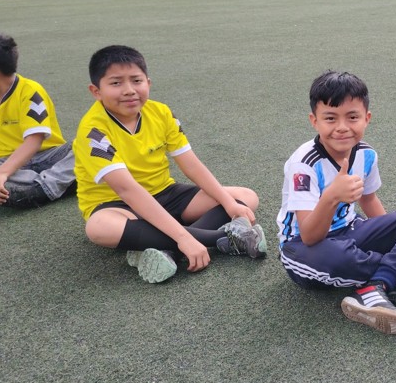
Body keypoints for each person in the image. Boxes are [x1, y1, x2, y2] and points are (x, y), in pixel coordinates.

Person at [73, 45, 267, 284]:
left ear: (148, 83)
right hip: (118, 204)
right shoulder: (93, 132)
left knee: (245, 197)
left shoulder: (161, 112)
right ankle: (223, 239)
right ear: (96, 91)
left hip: (165, 193)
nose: (129, 90)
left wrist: (229, 203)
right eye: (116, 83)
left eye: (136, 80)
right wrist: (183, 238)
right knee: (99, 228)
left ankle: (164, 249)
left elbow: (191, 165)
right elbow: (127, 190)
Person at [277, 71, 396, 335]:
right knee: (340, 259)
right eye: (330, 118)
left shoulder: (366, 154)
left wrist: (393, 236)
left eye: (352, 117)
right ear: (314, 121)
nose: (342, 127)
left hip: (353, 231)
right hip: (304, 248)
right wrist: (332, 196)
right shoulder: (303, 164)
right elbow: (309, 236)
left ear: (367, 118)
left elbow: (369, 199)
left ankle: (375, 285)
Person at [0, 33, 76, 209]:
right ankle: (68, 181)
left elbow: (34, 140)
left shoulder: (29, 90)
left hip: (50, 156)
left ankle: (42, 189)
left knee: (87, 146)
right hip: (7, 162)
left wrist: (3, 173)